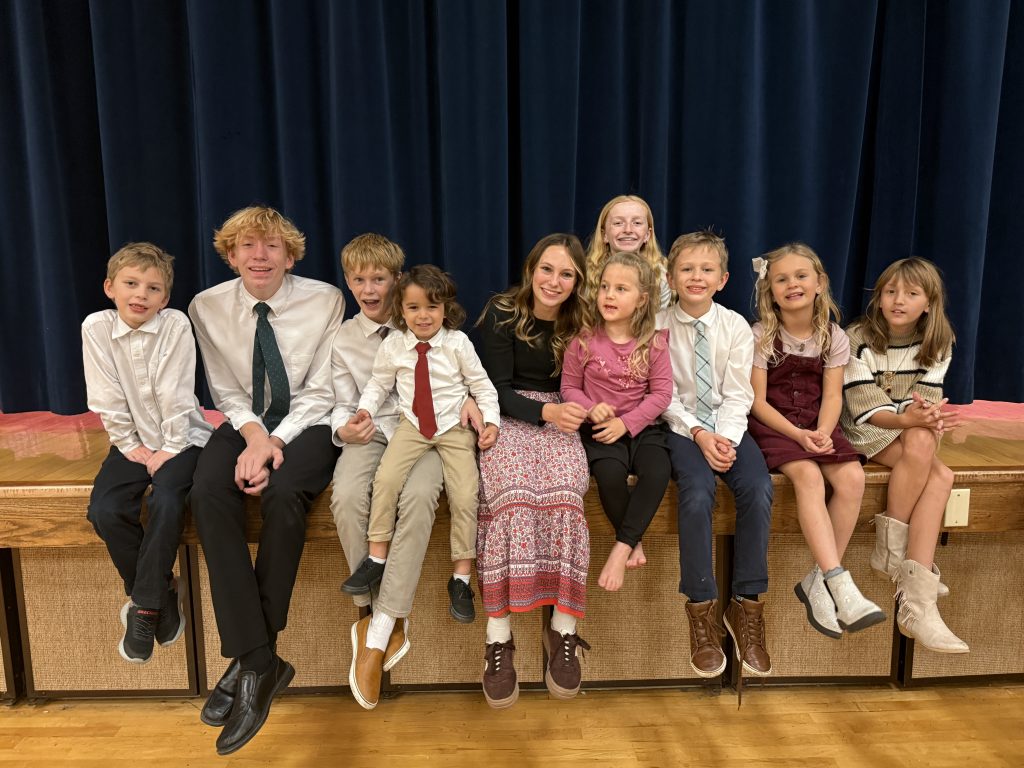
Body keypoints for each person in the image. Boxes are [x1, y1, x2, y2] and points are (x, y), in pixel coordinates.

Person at [188, 206, 343, 755]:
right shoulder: (206, 306)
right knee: (207, 491)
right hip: (245, 420)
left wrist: (275, 443)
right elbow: (226, 392)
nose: (260, 256)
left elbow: (322, 391)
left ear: (290, 256)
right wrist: (255, 437)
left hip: (309, 422)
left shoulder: (325, 299)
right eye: (248, 247)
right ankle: (259, 660)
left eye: (272, 246)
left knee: (282, 493)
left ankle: (254, 659)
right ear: (230, 256)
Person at [330, 238, 482, 711]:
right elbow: (344, 398)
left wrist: (472, 402)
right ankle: (374, 610)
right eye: (359, 280)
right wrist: (346, 425)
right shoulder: (345, 337)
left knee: (417, 500)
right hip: (373, 432)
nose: (368, 289)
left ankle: (380, 631)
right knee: (348, 495)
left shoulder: (439, 332)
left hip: (431, 432)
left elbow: (467, 379)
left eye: (379, 279)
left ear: (397, 284)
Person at [345, 265, 499, 628]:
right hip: (412, 426)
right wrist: (365, 409)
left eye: (432, 306)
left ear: (446, 308)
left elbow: (482, 385)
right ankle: (376, 557)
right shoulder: (394, 345)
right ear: (401, 309)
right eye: (413, 308)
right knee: (385, 480)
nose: (423, 315)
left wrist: (491, 422)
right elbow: (379, 384)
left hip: (454, 427)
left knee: (466, 494)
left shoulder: (457, 344)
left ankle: (461, 577)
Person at [747, 243, 885, 642]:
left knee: (853, 478)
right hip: (775, 426)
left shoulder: (833, 336)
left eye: (801, 276)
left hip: (815, 421)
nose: (792, 284)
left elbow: (833, 395)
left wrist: (823, 431)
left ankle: (819, 581)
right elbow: (757, 402)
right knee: (808, 476)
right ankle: (838, 579)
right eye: (781, 279)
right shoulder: (760, 335)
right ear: (770, 291)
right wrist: (798, 436)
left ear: (820, 283)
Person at [475, 233, 591, 708]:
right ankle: (498, 639)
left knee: (566, 497)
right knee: (512, 499)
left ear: (578, 281)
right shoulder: (503, 313)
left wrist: (575, 411)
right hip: (509, 414)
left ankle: (563, 630)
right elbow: (496, 389)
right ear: (531, 270)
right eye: (547, 269)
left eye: (566, 274)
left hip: (565, 415)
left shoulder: (584, 320)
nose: (554, 281)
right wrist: (547, 413)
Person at [83, 242, 213, 665]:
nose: (141, 294)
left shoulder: (174, 324)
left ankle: (142, 609)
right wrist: (130, 445)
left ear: (165, 298)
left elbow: (175, 391)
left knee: (168, 500)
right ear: (110, 287)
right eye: (131, 284)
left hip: (184, 439)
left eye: (153, 288)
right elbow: (106, 394)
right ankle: (160, 594)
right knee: (105, 510)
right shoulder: (96, 328)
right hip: (132, 441)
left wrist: (170, 448)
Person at [656, 231, 774, 679]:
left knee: (758, 488)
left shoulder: (735, 327)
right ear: (670, 278)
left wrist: (724, 437)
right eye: (686, 269)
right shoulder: (657, 326)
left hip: (729, 426)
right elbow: (662, 395)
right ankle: (701, 608)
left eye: (707, 270)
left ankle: (746, 604)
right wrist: (700, 435)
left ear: (722, 279)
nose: (696, 277)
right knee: (697, 492)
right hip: (681, 427)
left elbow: (739, 393)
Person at [841, 257, 968, 653]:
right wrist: (913, 419)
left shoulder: (938, 341)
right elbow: (863, 407)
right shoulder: (856, 337)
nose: (899, 300)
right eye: (891, 292)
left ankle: (905, 578)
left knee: (935, 461)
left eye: (911, 294)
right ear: (878, 298)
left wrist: (927, 418)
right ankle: (913, 594)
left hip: (909, 432)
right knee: (938, 473)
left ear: (928, 304)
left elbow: (925, 403)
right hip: (864, 428)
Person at [561, 251, 673, 594]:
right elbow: (568, 388)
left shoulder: (654, 342)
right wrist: (590, 408)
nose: (609, 295)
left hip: (643, 429)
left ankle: (621, 547)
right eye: (605, 287)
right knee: (609, 477)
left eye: (621, 289)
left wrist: (626, 424)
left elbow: (662, 394)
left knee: (658, 472)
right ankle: (633, 541)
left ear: (641, 300)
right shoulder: (583, 340)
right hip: (600, 430)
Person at [584, 195, 672, 310]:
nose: (628, 230)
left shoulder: (660, 277)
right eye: (618, 223)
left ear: (647, 235)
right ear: (604, 235)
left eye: (637, 223)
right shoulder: (586, 275)